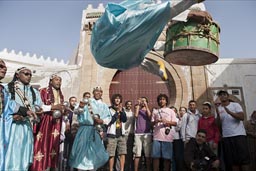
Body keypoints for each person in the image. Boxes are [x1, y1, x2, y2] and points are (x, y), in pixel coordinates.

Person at [4, 67, 43, 171]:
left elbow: (39, 107)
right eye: (26, 74)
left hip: (26, 127)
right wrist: (11, 116)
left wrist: (38, 112)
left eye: (30, 74)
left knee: (24, 156)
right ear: (17, 75)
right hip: (11, 127)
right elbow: (3, 107)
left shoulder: (34, 92)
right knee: (10, 155)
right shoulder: (7, 88)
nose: (29, 76)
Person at [69, 86, 112, 171]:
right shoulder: (87, 102)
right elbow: (76, 111)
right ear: (93, 92)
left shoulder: (104, 105)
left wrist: (102, 121)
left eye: (100, 92)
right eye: (96, 91)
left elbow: (108, 117)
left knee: (95, 152)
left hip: (95, 130)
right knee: (82, 151)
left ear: (102, 93)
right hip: (84, 130)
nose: (98, 93)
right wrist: (81, 106)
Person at [0, 60, 32, 170]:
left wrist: (26, 111)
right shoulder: (7, 87)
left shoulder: (2, 90)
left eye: (5, 67)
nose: (4, 69)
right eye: (1, 66)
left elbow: (10, 104)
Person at [31, 74, 66, 171]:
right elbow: (38, 106)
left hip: (57, 123)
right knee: (42, 144)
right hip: (45, 122)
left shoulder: (61, 94)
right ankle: (39, 167)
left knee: (53, 146)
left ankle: (50, 166)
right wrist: (53, 107)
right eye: (56, 80)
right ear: (51, 81)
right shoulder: (43, 91)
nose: (59, 82)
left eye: (60, 80)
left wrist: (64, 110)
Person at [216, 90, 250, 171]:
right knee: (233, 162)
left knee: (244, 161)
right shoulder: (218, 108)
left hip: (239, 136)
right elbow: (218, 124)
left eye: (224, 94)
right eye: (220, 95)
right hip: (227, 137)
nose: (222, 96)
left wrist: (229, 112)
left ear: (228, 96)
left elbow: (242, 117)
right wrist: (217, 114)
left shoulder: (235, 105)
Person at [151, 94, 177, 171]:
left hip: (167, 137)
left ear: (166, 101)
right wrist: (156, 121)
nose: (161, 101)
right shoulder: (155, 111)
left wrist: (167, 121)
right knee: (156, 157)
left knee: (167, 158)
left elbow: (175, 123)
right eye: (160, 99)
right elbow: (151, 123)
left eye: (163, 99)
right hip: (157, 137)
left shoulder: (171, 111)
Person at [107, 94, 127, 171]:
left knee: (122, 153)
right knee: (111, 154)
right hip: (112, 134)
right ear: (113, 100)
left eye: (119, 99)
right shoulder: (109, 109)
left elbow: (124, 119)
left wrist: (121, 111)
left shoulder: (122, 109)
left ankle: (121, 169)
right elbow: (110, 121)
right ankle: (111, 169)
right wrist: (116, 113)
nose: (117, 100)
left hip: (121, 134)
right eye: (116, 99)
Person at [133, 97, 152, 171]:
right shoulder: (138, 109)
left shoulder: (148, 110)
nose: (143, 102)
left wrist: (146, 106)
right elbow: (136, 115)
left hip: (147, 134)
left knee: (147, 154)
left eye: (144, 101)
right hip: (138, 134)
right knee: (137, 154)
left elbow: (150, 116)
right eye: (142, 101)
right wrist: (138, 105)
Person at [63, 96, 78, 171]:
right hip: (68, 133)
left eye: (75, 101)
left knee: (75, 150)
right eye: (72, 101)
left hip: (75, 133)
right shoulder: (67, 111)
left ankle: (75, 166)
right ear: (69, 102)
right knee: (68, 150)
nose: (74, 102)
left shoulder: (77, 111)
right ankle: (67, 167)